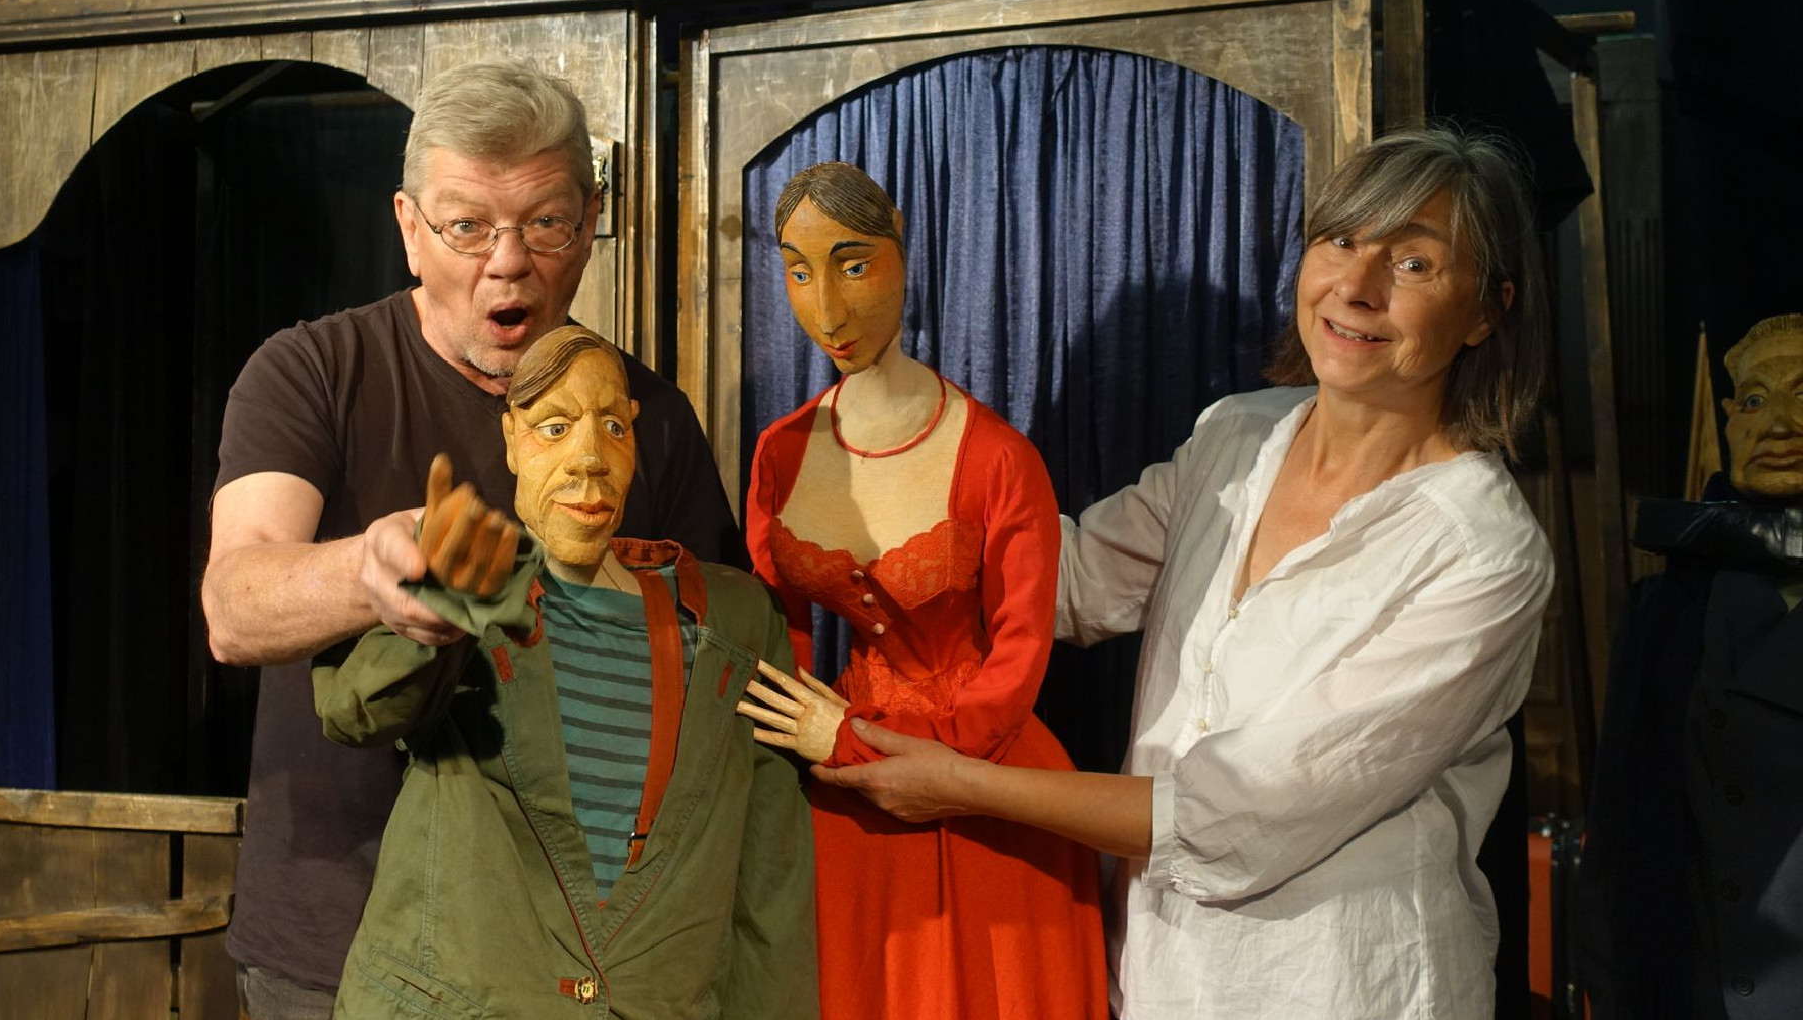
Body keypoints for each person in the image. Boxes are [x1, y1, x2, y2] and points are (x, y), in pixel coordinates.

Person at [763, 128, 1557, 1018]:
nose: (1356, 286)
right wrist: (901, 456)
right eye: (1341, 240)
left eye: (1413, 263)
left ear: (1487, 311)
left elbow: (1243, 811)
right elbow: (1058, 581)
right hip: (1157, 977)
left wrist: (959, 783)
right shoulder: (1237, 435)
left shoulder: (1482, 551)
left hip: (1344, 988)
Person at [200, 62, 741, 1016]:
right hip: (332, 948)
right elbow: (233, 604)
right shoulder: (313, 371)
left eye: (546, 222)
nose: (508, 262)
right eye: (468, 226)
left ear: (591, 224)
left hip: (570, 972)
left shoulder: (648, 418)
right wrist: (371, 572)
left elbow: (718, 670)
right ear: (410, 229)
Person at [312, 326, 817, 1019]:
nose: (589, 459)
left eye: (613, 427)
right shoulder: (474, 581)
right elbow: (353, 710)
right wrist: (440, 601)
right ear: (512, 440)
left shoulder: (735, 621)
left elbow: (771, 890)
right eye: (554, 428)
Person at [735, 161, 1108, 1020]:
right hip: (840, 802)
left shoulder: (998, 458)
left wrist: (852, 744)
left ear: (900, 247)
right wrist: (813, 751)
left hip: (989, 790)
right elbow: (776, 644)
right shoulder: (780, 453)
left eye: (853, 265)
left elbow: (1013, 670)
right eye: (799, 272)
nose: (828, 311)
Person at [1579, 312, 1803, 1019]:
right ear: (1730, 424)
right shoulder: (1666, 610)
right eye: (1756, 400)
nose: (1778, 424)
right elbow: (1618, 829)